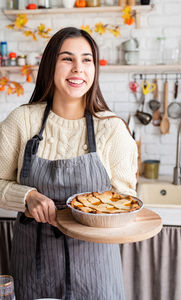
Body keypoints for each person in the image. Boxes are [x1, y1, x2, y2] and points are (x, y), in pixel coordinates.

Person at [0, 27, 138, 300]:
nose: (78, 69)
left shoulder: (113, 129)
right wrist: (26, 196)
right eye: (67, 59)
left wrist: (93, 216)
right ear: (50, 64)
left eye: (87, 60)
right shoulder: (21, 121)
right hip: (34, 268)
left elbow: (126, 200)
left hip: (97, 272)